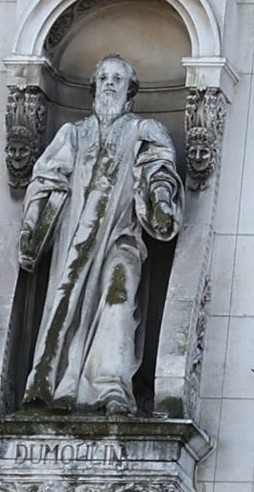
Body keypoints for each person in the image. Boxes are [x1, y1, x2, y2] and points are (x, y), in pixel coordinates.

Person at [17, 61, 181, 412]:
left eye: (117, 79)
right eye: (103, 78)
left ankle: (112, 388)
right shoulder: (73, 134)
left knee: (119, 299)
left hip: (122, 235)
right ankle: (56, 385)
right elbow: (46, 180)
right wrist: (32, 224)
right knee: (65, 304)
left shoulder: (144, 130)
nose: (109, 84)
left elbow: (159, 170)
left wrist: (162, 199)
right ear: (93, 86)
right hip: (74, 239)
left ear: (130, 89)